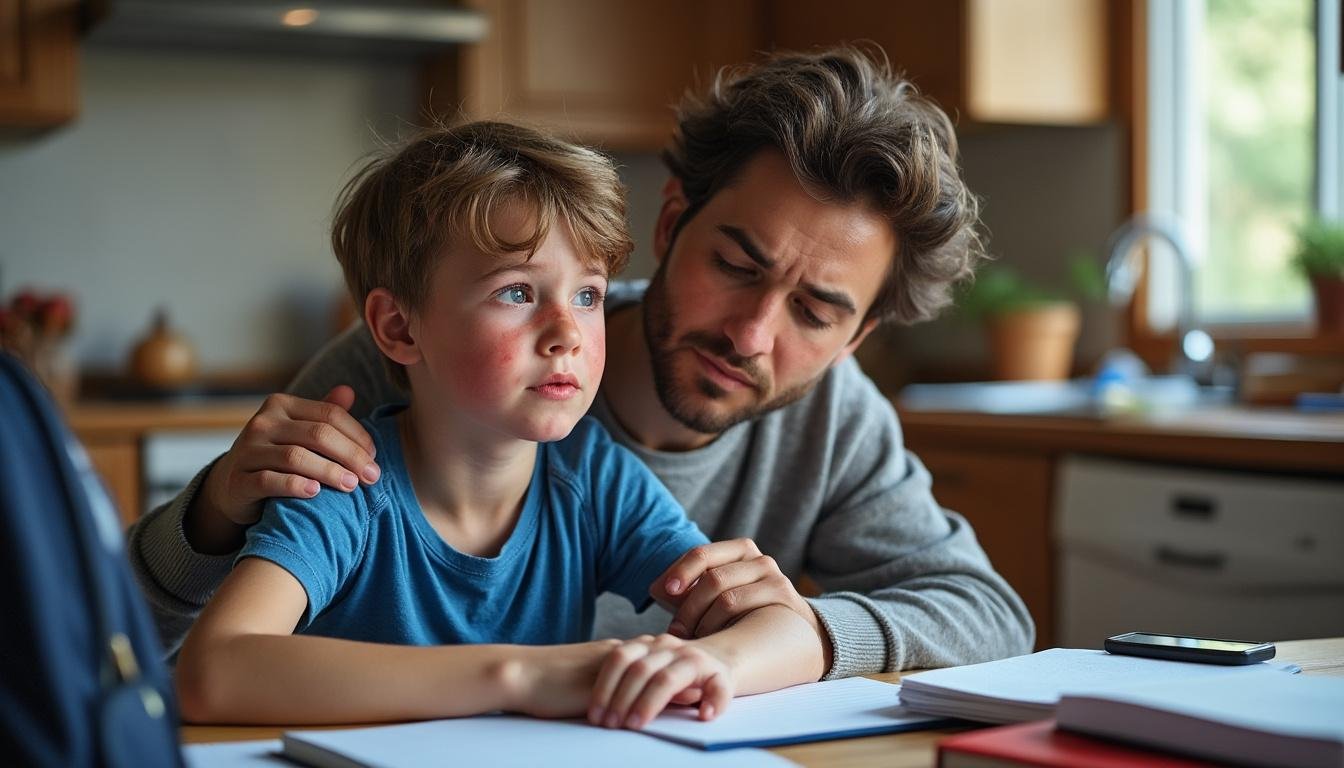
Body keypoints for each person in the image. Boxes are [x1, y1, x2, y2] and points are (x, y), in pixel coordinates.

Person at [130, 45, 1034, 683]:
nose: (753, 335)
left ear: (857, 337)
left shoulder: (828, 416)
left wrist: (807, 634)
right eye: (735, 266)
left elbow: (988, 614)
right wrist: (209, 521)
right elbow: (144, 654)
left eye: (815, 311)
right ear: (672, 223)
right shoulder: (390, 375)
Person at [173, 121, 825, 727]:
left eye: (588, 295)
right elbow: (211, 672)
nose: (568, 332)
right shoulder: (345, 484)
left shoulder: (595, 480)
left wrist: (712, 662)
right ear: (399, 327)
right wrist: (519, 677)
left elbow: (790, 631)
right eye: (517, 292)